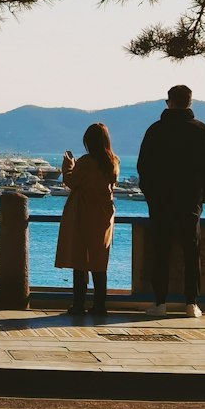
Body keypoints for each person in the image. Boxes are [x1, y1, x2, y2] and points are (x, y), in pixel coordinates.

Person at [137, 85, 205, 318]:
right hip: (190, 202)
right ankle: (191, 303)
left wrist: (151, 197)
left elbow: (144, 167)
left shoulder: (155, 130)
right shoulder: (202, 131)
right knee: (191, 253)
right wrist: (201, 198)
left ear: (168, 102)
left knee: (160, 252)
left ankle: (160, 302)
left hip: (161, 203)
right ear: (190, 102)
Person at [55, 122, 119, 316]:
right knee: (99, 262)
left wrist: (68, 166)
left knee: (80, 260)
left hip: (83, 215)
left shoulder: (86, 162)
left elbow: (72, 182)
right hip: (103, 216)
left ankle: (78, 304)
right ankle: (100, 305)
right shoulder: (113, 162)